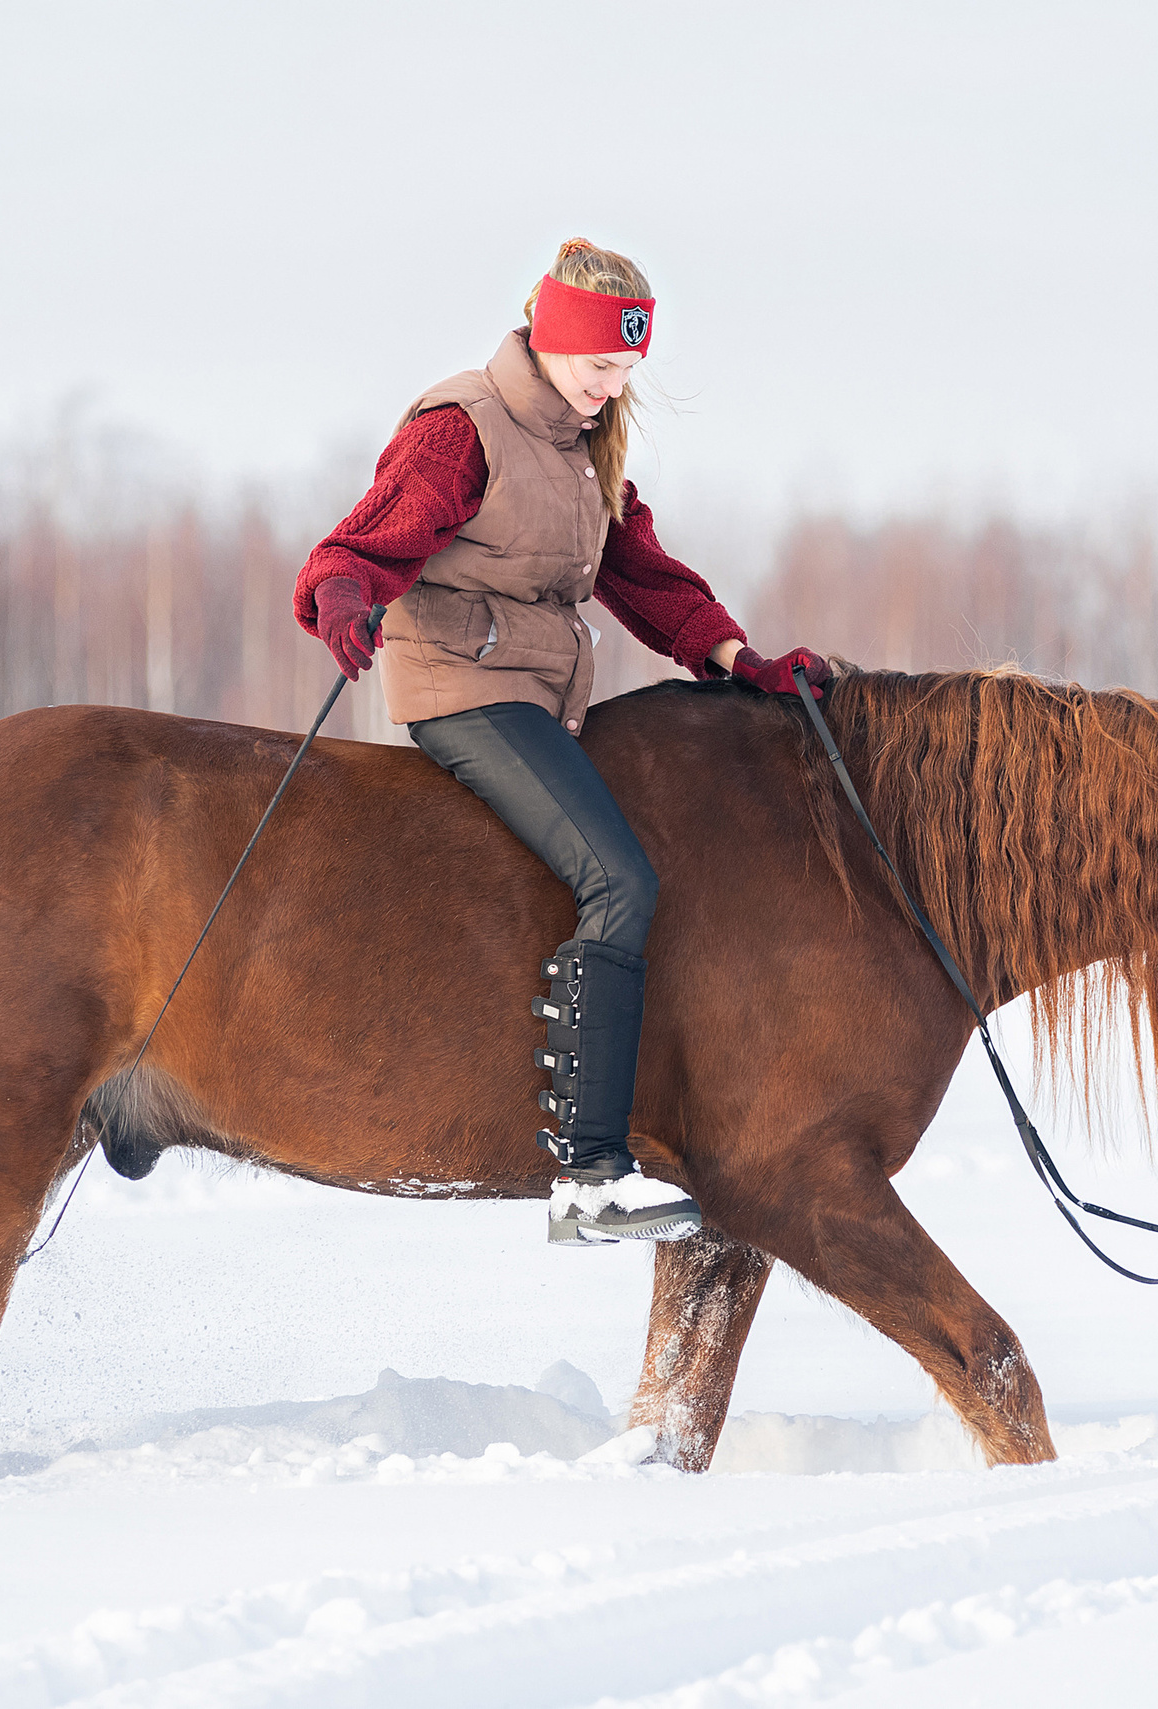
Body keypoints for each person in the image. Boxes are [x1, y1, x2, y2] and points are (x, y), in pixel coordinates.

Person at [293, 238, 832, 1247]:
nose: (610, 389)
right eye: (598, 368)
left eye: (626, 370)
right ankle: (589, 1171)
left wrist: (733, 657)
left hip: (537, 698)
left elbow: (641, 571)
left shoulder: (583, 446)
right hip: (464, 687)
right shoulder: (464, 427)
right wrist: (342, 595)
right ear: (550, 338)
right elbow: (362, 541)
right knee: (617, 880)